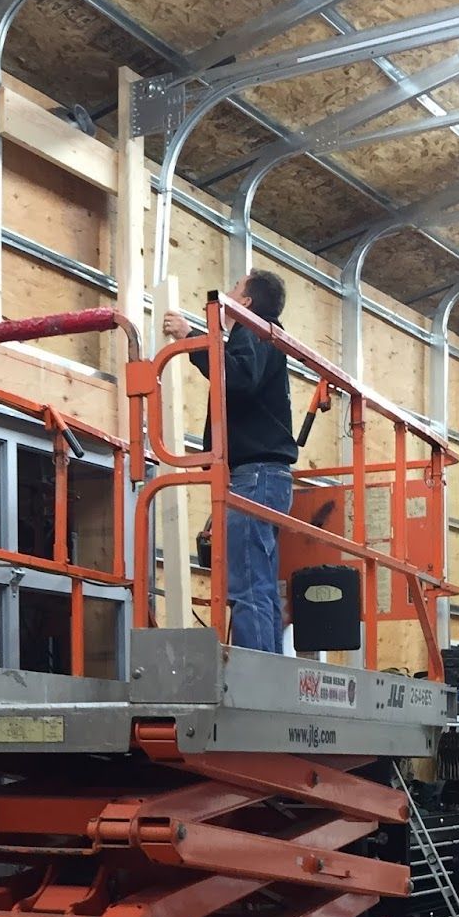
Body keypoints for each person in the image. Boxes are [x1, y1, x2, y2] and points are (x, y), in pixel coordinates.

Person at [162, 271, 296, 655]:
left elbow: (236, 377)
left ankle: (257, 671)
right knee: (260, 583)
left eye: (236, 287)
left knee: (248, 583)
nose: (228, 292)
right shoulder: (262, 336)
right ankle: (267, 669)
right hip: (266, 476)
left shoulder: (254, 332)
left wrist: (191, 338)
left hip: (255, 475)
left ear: (247, 302)